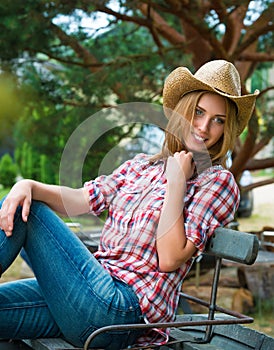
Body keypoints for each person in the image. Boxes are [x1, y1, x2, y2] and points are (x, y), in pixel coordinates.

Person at [0, 60, 258, 349]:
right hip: (88, 293)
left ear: (227, 128)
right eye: (198, 112)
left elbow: (170, 258)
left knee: (30, 211)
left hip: (123, 312)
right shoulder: (141, 167)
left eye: (218, 119)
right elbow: (83, 199)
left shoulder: (217, 182)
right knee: (21, 199)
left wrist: (177, 183)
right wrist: (28, 185)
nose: (204, 126)